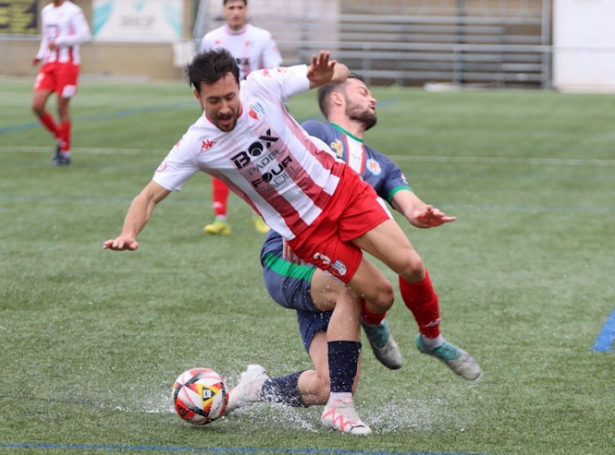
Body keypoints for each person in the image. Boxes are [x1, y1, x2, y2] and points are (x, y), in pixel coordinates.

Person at [101, 48, 459, 435]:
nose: (224, 108)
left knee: (409, 269)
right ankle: (339, 405)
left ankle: (419, 337)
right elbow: (148, 195)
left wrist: (326, 72)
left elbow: (334, 72)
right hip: (308, 230)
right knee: (376, 291)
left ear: (239, 86)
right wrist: (128, 233)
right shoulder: (196, 144)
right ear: (197, 96)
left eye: (229, 97)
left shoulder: (262, 87)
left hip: (345, 191)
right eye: (213, 101)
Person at [223, 75, 481, 434]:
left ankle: (254, 389)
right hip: (291, 259)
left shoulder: (382, 165)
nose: (372, 99)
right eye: (363, 91)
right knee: (356, 290)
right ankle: (370, 345)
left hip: (335, 268)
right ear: (337, 100)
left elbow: (408, 202)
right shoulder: (316, 131)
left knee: (327, 385)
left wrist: (420, 213)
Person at [200, 0, 283, 235]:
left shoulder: (262, 37)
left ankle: (261, 215)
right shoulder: (211, 39)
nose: (235, 12)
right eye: (231, 7)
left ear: (246, 10)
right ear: (224, 10)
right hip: (222, 112)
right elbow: (203, 76)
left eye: (239, 7)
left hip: (254, 111)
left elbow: (274, 71)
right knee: (218, 159)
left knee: (260, 161)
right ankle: (220, 218)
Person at [31, 0, 91, 166]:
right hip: (49, 64)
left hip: (68, 64)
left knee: (61, 107)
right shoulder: (46, 11)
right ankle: (61, 138)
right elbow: (46, 37)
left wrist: (60, 41)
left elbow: (85, 35)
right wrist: (40, 55)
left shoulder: (73, 10)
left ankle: (64, 152)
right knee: (37, 105)